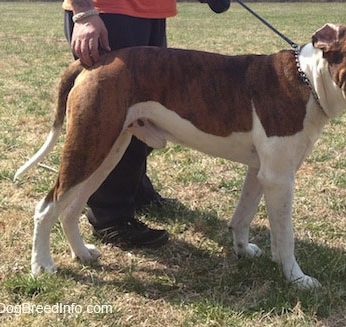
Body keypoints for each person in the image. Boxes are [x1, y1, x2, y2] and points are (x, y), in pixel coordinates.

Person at [62, 0, 230, 250]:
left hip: (151, 12)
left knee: (147, 113)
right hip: (107, 12)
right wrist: (84, 13)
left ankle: (136, 191)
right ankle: (110, 217)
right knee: (114, 119)